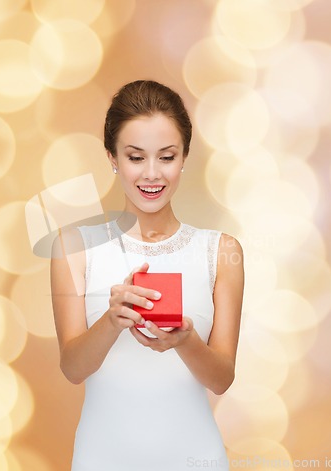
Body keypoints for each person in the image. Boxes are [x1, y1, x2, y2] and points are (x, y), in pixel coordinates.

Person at [50, 80, 244, 471]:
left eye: (167, 157)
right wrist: (111, 321)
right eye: (136, 157)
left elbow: (222, 379)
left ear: (184, 156)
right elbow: (73, 368)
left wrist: (186, 341)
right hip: (101, 460)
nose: (152, 174)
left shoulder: (221, 252)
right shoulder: (74, 247)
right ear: (112, 157)